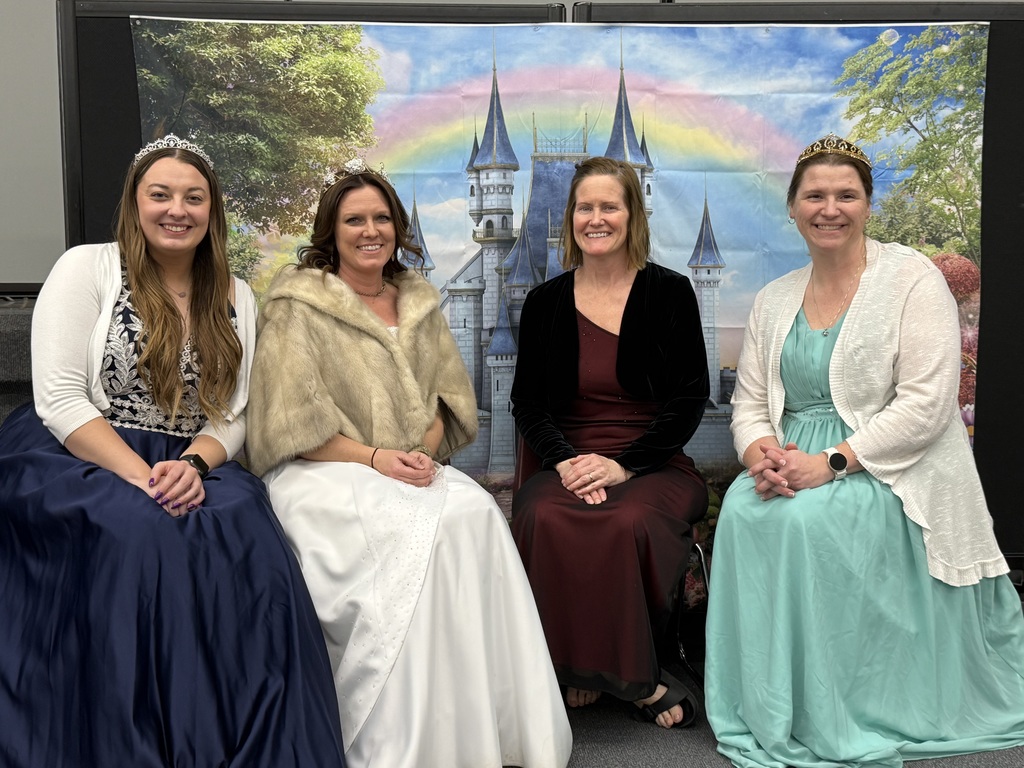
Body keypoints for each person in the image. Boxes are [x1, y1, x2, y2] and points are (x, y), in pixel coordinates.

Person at [0, 135, 346, 766]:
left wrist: (191, 465)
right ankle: (136, 741)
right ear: (135, 204)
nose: (176, 210)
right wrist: (144, 478)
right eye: (160, 195)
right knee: (140, 534)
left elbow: (236, 410)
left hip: (192, 457)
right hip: (85, 450)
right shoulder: (86, 268)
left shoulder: (237, 294)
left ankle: (231, 738)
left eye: (193, 198)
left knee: (248, 534)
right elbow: (59, 400)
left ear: (210, 211)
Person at [705, 133, 1024, 767]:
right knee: (744, 509)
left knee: (805, 521)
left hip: (890, 467)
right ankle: (773, 704)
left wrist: (830, 464)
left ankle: (837, 704)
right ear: (793, 208)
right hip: (791, 458)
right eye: (815, 195)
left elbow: (927, 406)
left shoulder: (910, 280)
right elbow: (749, 405)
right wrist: (761, 455)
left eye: (846, 194)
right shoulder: (773, 299)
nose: (831, 208)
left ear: (868, 205)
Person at [244, 159, 573, 768]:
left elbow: (450, 401)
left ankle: (475, 724)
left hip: (407, 465)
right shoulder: (295, 305)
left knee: (474, 512)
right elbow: (288, 424)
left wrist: (419, 452)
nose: (370, 231)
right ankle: (405, 738)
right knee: (421, 531)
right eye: (354, 220)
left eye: (381, 218)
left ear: (397, 228)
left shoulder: (419, 300)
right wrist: (375, 458)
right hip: (325, 471)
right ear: (331, 230)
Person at [510, 156, 710, 730]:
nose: (595, 218)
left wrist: (624, 467)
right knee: (546, 514)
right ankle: (578, 665)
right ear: (569, 216)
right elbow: (529, 404)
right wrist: (567, 464)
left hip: (654, 461)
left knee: (626, 522)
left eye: (609, 207)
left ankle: (636, 678)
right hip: (568, 460)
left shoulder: (670, 293)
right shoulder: (544, 302)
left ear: (632, 215)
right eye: (584, 207)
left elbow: (689, 399)